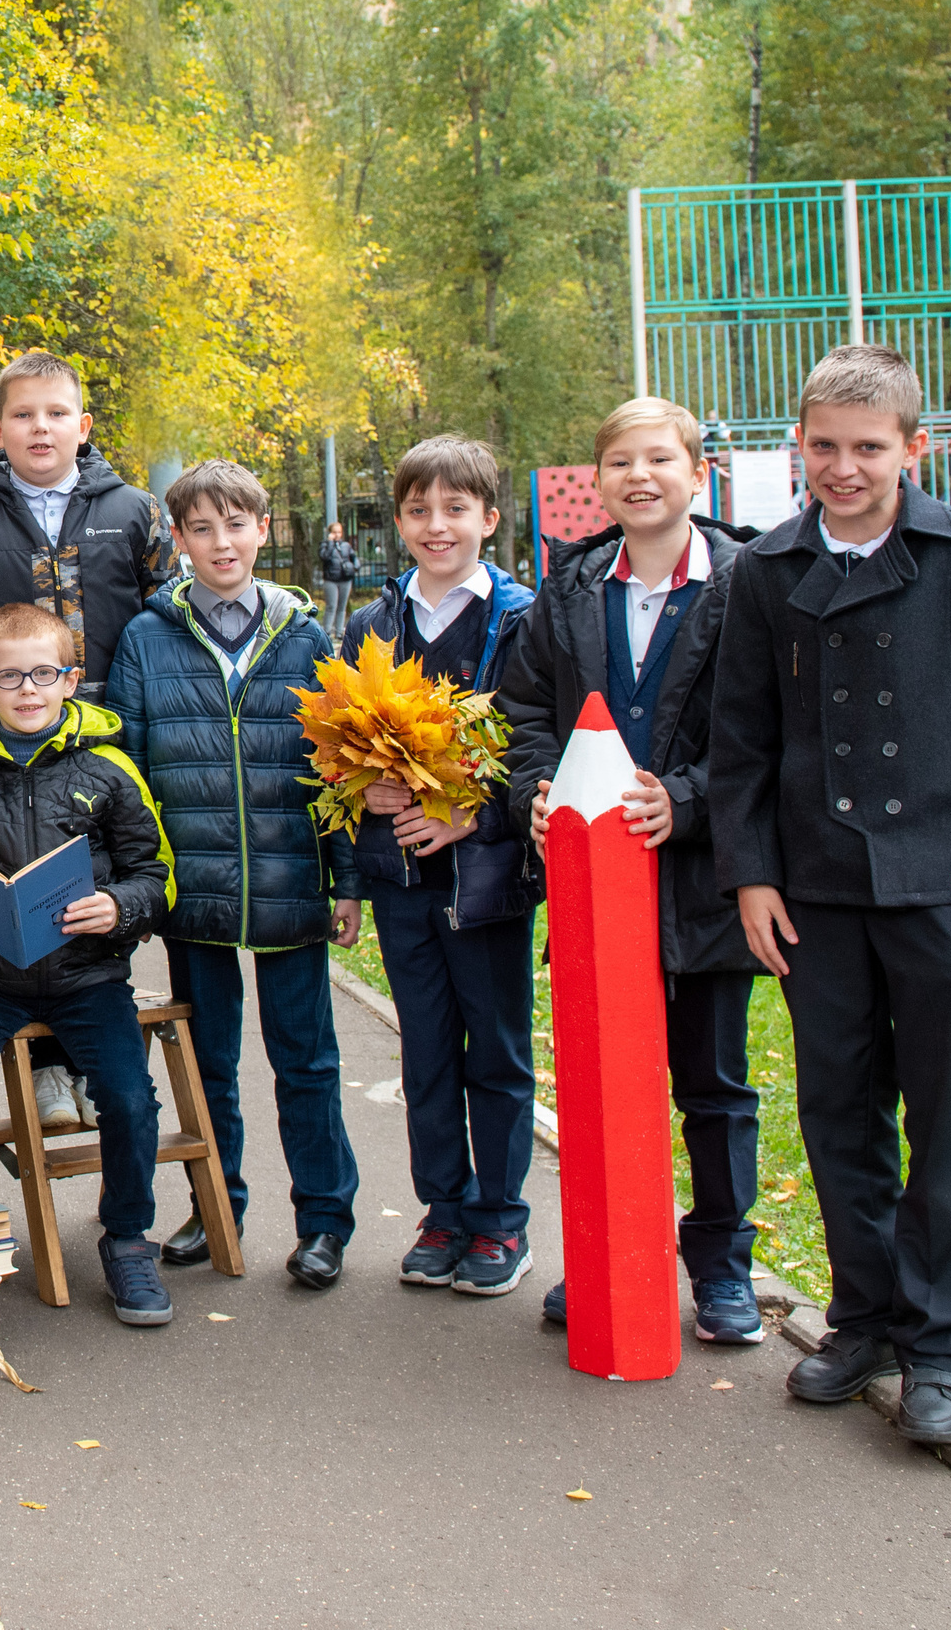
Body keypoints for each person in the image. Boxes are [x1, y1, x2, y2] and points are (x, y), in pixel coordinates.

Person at [709, 344, 951, 1447]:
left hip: (939, 885)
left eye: (868, 447)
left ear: (915, 446)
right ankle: (864, 1318)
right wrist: (752, 873)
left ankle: (939, 1349)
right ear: (797, 445)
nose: (843, 467)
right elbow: (740, 740)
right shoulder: (764, 569)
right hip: (814, 891)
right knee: (837, 1114)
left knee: (942, 1119)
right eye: (823, 445)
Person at [497, 400, 768, 1345]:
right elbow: (525, 710)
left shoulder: (746, 584)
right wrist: (538, 792)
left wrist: (684, 800)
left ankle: (722, 1268)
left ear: (698, 473)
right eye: (619, 461)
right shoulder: (569, 588)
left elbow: (769, 728)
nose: (639, 476)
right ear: (598, 480)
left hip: (701, 883)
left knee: (713, 1085)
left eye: (659, 458)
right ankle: (610, 1254)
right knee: (601, 1081)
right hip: (591, 889)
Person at [108, 460, 362, 1289]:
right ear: (179, 540)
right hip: (195, 893)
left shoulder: (306, 636)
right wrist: (143, 886)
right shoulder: (147, 637)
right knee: (208, 1063)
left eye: (237, 524)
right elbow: (128, 772)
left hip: (292, 887)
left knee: (307, 1061)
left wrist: (348, 882)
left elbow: (340, 769)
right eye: (202, 528)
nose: (222, 542)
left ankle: (323, 1221)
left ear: (263, 530)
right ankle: (216, 1205)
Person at [0, 602, 177, 1327]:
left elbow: (156, 874)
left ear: (70, 679)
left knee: (129, 1098)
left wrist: (118, 907)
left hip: (90, 978)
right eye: (9, 676)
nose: (27, 689)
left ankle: (127, 1239)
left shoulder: (109, 769)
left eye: (43, 674)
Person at [0, 349, 172, 1131]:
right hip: (9, 745)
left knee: (102, 885)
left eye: (55, 413)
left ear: (83, 424)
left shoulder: (135, 511)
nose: (40, 428)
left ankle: (88, 1052)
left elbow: (169, 615)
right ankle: (45, 1064)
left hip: (111, 740)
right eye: (23, 414)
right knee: (26, 889)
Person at [339, 435, 542, 1298]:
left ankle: (500, 1218)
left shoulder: (521, 620)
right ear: (399, 521)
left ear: (489, 519)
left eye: (456, 508)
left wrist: (473, 813)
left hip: (486, 879)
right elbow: (339, 750)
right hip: (401, 879)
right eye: (419, 509)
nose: (437, 524)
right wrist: (365, 789)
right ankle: (444, 1210)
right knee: (425, 1052)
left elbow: (537, 746)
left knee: (494, 1050)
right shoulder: (373, 624)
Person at [316, 520, 359, 639]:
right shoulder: (324, 545)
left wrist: (355, 567)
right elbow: (324, 557)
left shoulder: (346, 545)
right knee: (331, 606)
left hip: (345, 579)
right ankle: (327, 631)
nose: (337, 535)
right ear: (330, 533)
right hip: (331, 580)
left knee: (342, 606)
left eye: (339, 532)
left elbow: (354, 557)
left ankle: (339, 632)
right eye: (334, 532)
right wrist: (330, 542)